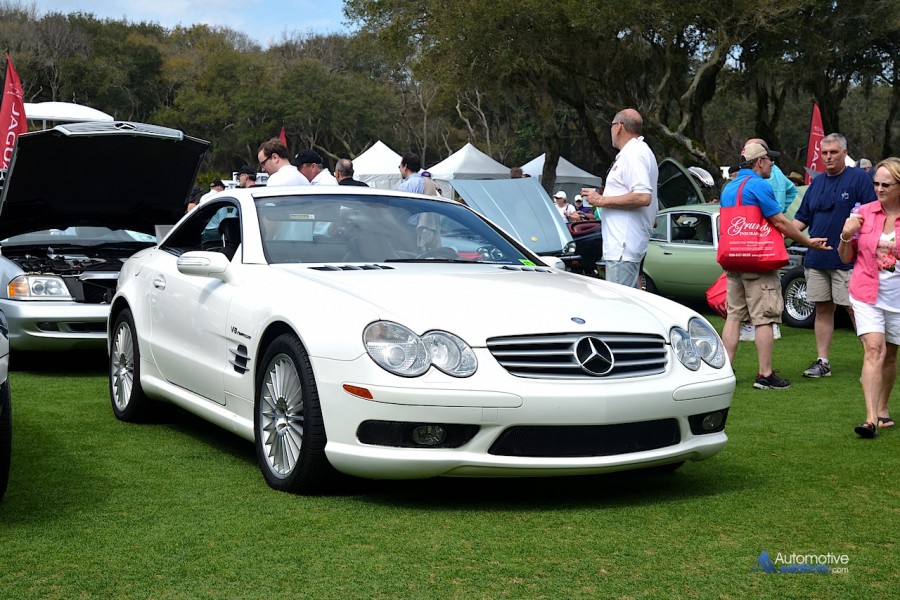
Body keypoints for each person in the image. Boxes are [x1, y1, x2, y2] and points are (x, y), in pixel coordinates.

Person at [720, 142, 831, 390]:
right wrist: (807, 241)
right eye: (769, 160)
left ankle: (726, 369)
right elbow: (779, 221)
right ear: (759, 162)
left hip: (733, 259)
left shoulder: (730, 188)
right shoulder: (760, 186)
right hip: (757, 261)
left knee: (734, 315)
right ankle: (765, 375)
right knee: (765, 318)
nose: (772, 163)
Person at [792, 133, 877, 378]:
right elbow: (801, 220)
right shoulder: (816, 183)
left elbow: (871, 215)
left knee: (855, 310)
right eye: (824, 153)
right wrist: (779, 235)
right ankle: (823, 362)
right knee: (822, 309)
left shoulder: (858, 179)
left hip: (848, 259)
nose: (828, 157)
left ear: (844, 153)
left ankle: (871, 361)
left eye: (833, 152)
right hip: (817, 260)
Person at [837, 157, 900, 438]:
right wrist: (846, 236)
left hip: (897, 298)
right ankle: (870, 418)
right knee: (874, 349)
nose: (879, 188)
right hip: (865, 292)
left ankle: (884, 408)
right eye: (876, 183)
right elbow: (846, 257)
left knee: (890, 356)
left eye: (886, 184)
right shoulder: (864, 212)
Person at [581, 108, 658, 288]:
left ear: (618, 127)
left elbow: (642, 196)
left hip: (622, 247)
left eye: (611, 126)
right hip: (628, 244)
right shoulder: (640, 152)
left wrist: (600, 200)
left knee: (619, 308)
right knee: (631, 304)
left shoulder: (633, 155)